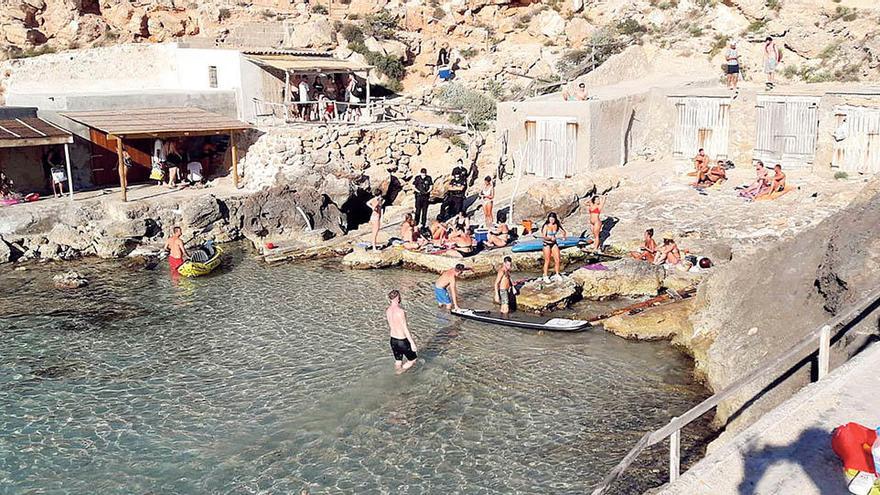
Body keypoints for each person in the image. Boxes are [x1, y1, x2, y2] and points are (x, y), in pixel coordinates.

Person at [386, 290, 418, 374]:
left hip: (393, 340)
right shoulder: (400, 312)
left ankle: (397, 371)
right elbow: (405, 328)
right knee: (412, 360)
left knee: (398, 361)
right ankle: (399, 373)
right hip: (402, 341)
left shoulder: (388, 311)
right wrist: (412, 343)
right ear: (397, 298)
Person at [541, 212, 567, 283]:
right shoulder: (546, 226)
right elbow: (543, 237)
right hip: (546, 244)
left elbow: (563, 231)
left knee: (557, 259)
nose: (552, 220)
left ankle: (557, 274)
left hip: (554, 243)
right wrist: (549, 239)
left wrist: (564, 236)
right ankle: (545, 276)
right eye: (550, 219)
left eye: (553, 219)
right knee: (547, 260)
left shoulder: (556, 225)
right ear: (548, 219)